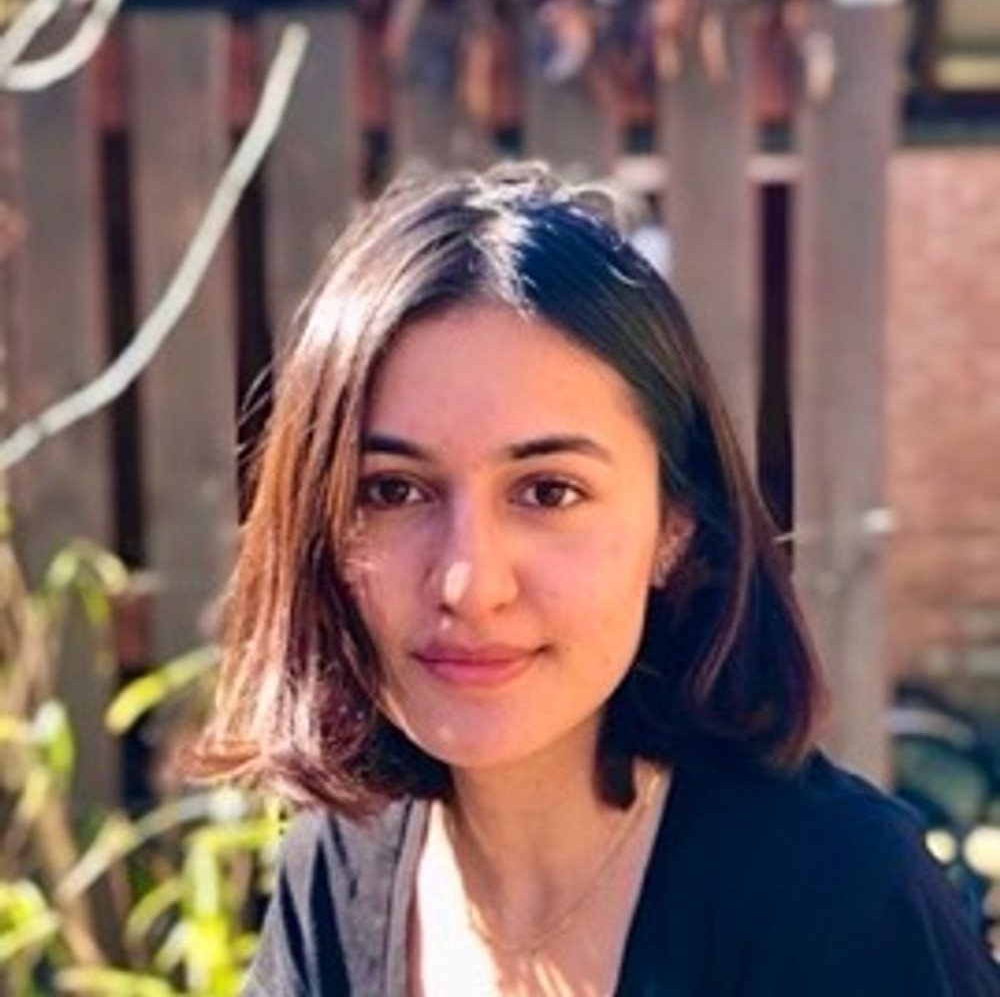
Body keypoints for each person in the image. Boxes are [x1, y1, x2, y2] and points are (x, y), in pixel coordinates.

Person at [189, 162, 1000, 996]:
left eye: (548, 492)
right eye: (392, 491)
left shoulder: (835, 899)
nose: (468, 582)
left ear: (675, 525)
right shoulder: (338, 867)